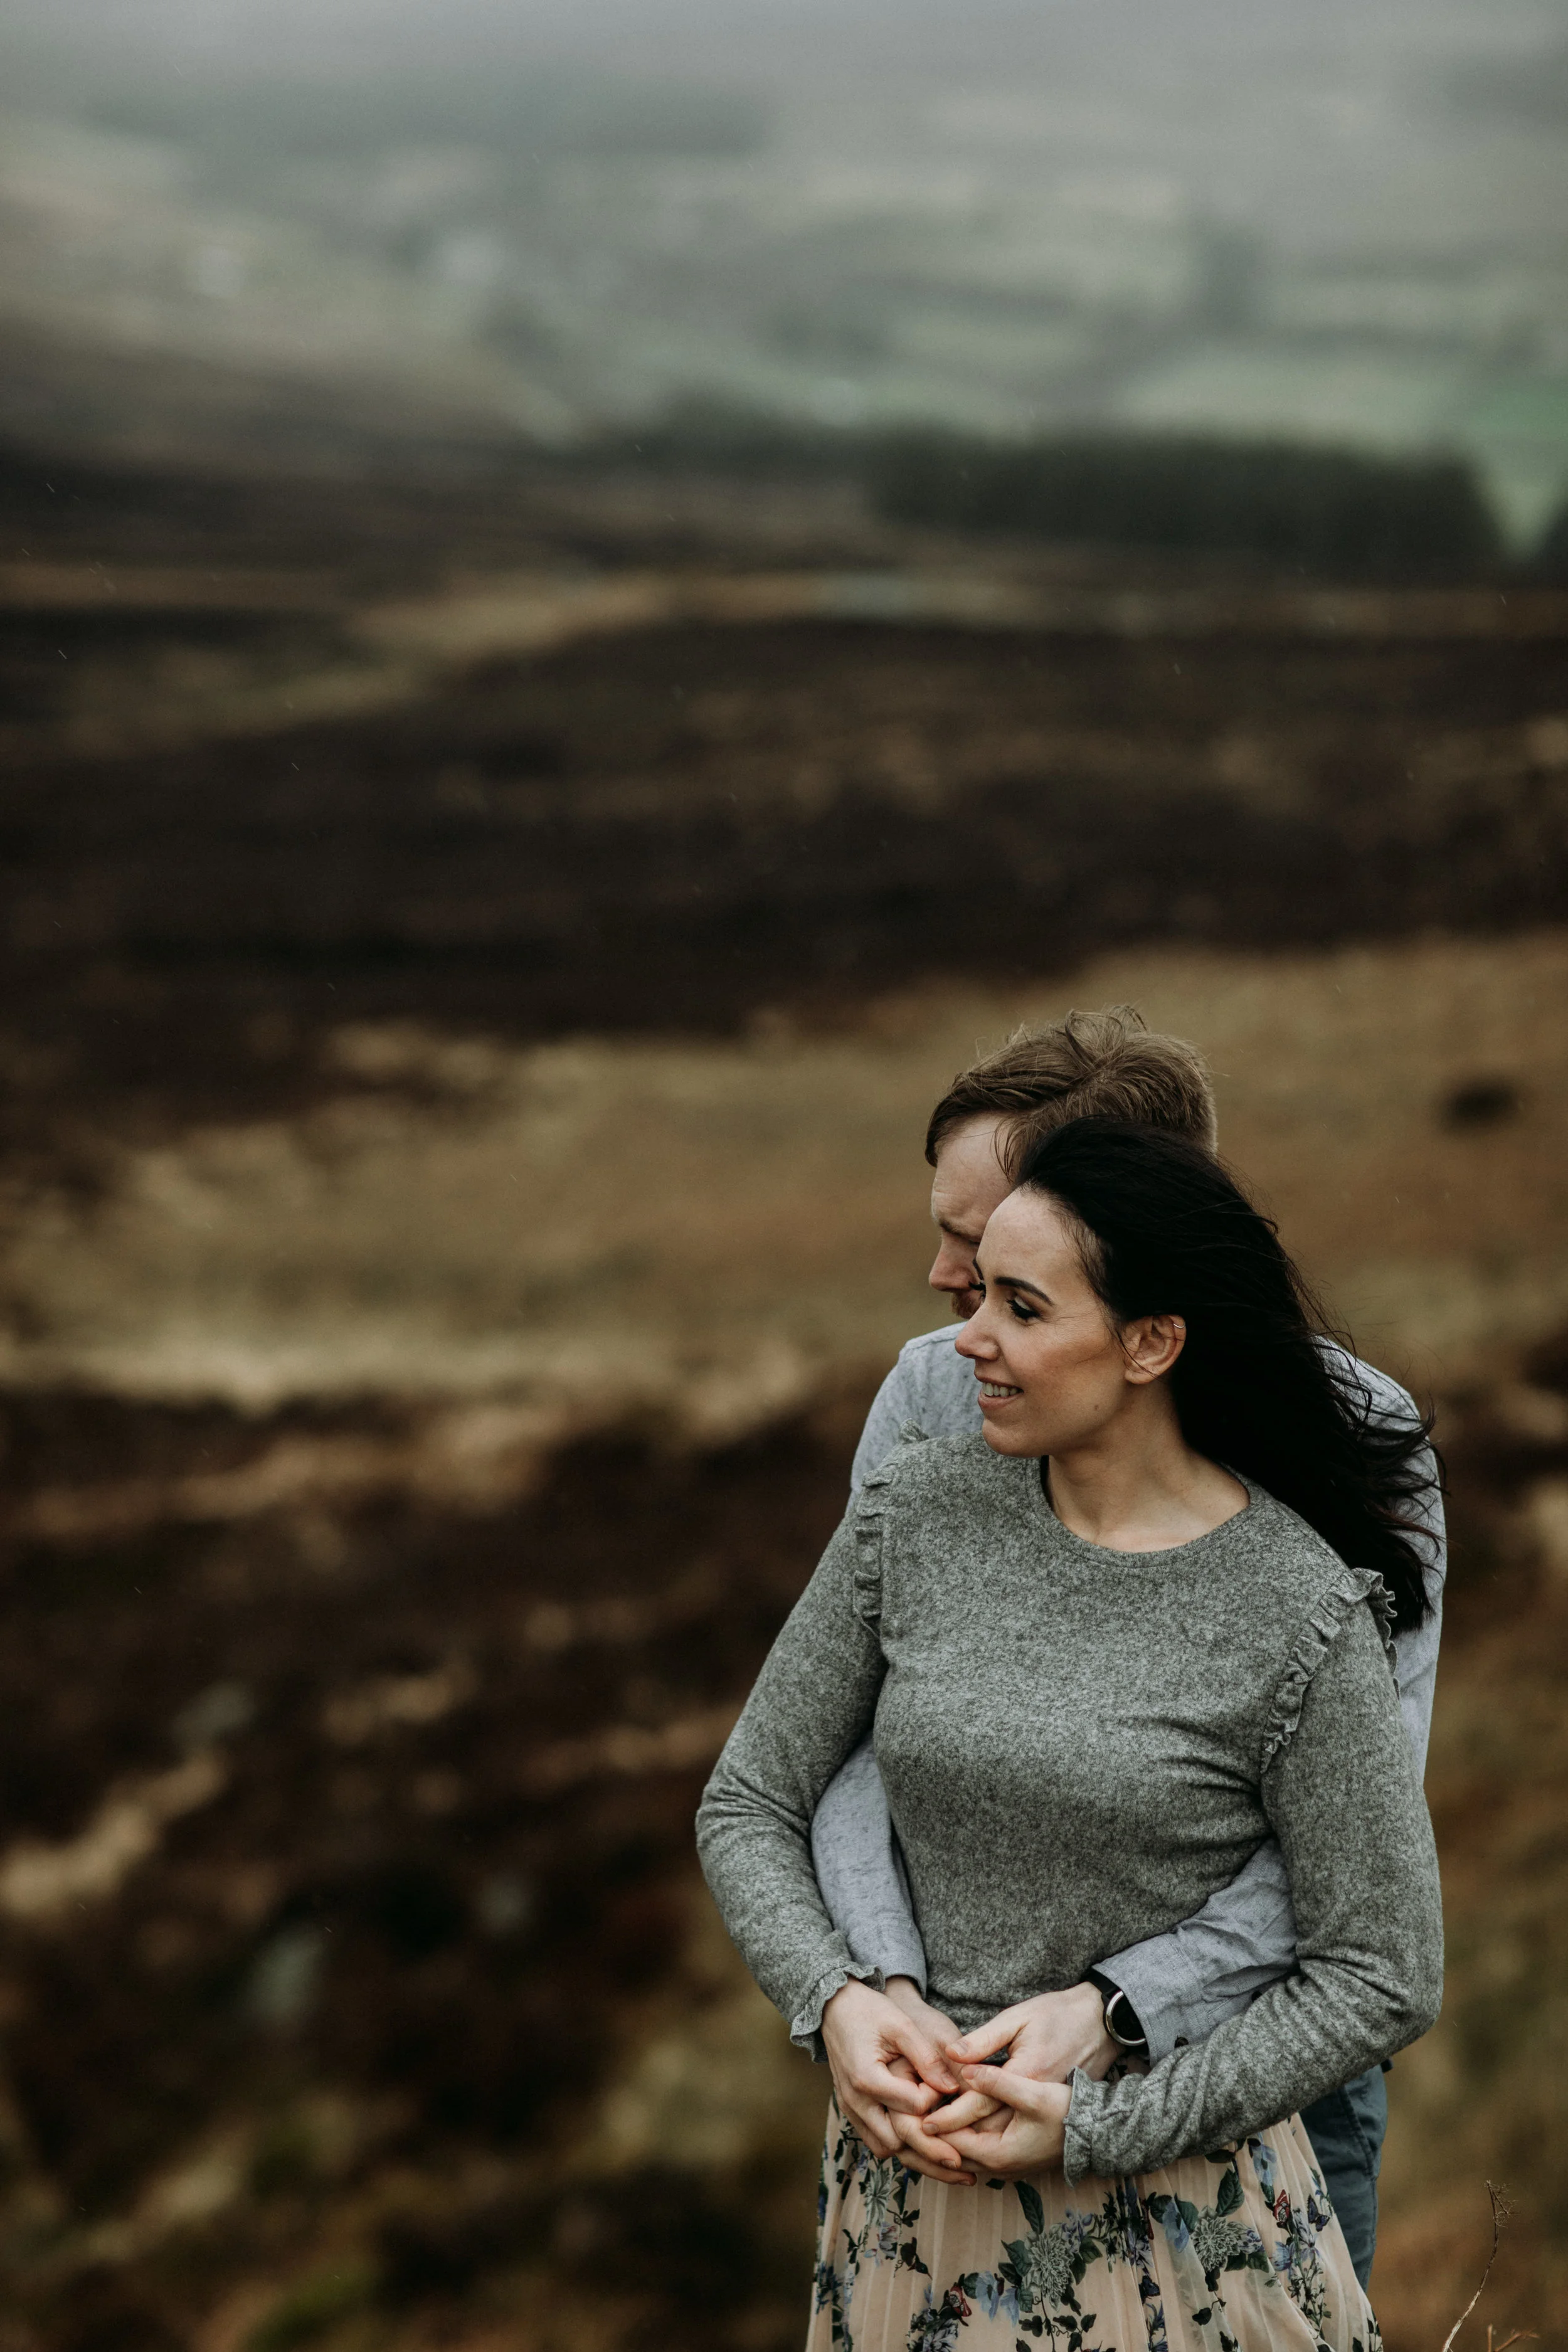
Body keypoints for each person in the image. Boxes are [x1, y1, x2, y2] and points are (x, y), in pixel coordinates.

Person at [698, 1117, 1443, 2352]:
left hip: (1185, 2239)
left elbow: (1382, 1970)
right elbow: (748, 1798)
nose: (968, 1339)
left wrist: (1099, 2130)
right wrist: (831, 1998)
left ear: (1149, 1342)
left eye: (1022, 1308)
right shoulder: (913, 1513)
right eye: (977, 1291)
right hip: (904, 2221)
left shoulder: (1297, 1607)